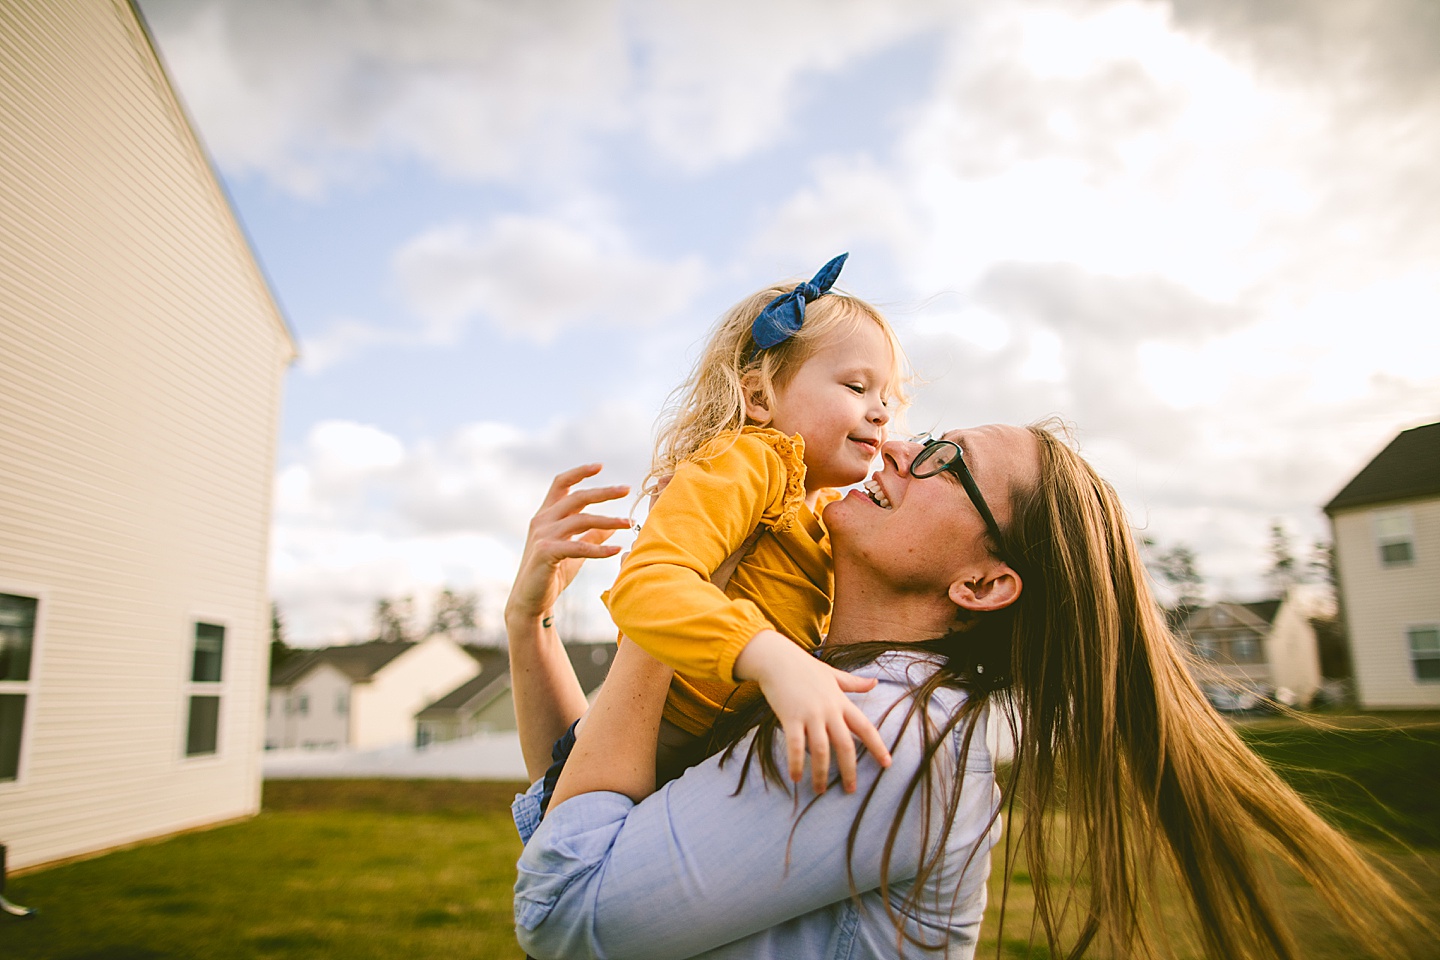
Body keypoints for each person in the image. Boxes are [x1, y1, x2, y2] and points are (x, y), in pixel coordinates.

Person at [508, 426, 1429, 960]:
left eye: (946, 460)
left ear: (983, 586)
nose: (898, 444)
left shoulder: (886, 736)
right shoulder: (825, 680)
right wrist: (533, 628)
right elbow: (594, 798)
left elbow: (566, 909)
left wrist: (675, 571)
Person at [546, 253, 910, 808]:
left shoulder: (833, 511)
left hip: (701, 756)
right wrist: (769, 655)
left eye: (888, 396)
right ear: (759, 396)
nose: (881, 412)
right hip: (638, 747)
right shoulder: (752, 459)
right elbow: (648, 585)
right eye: (857, 387)